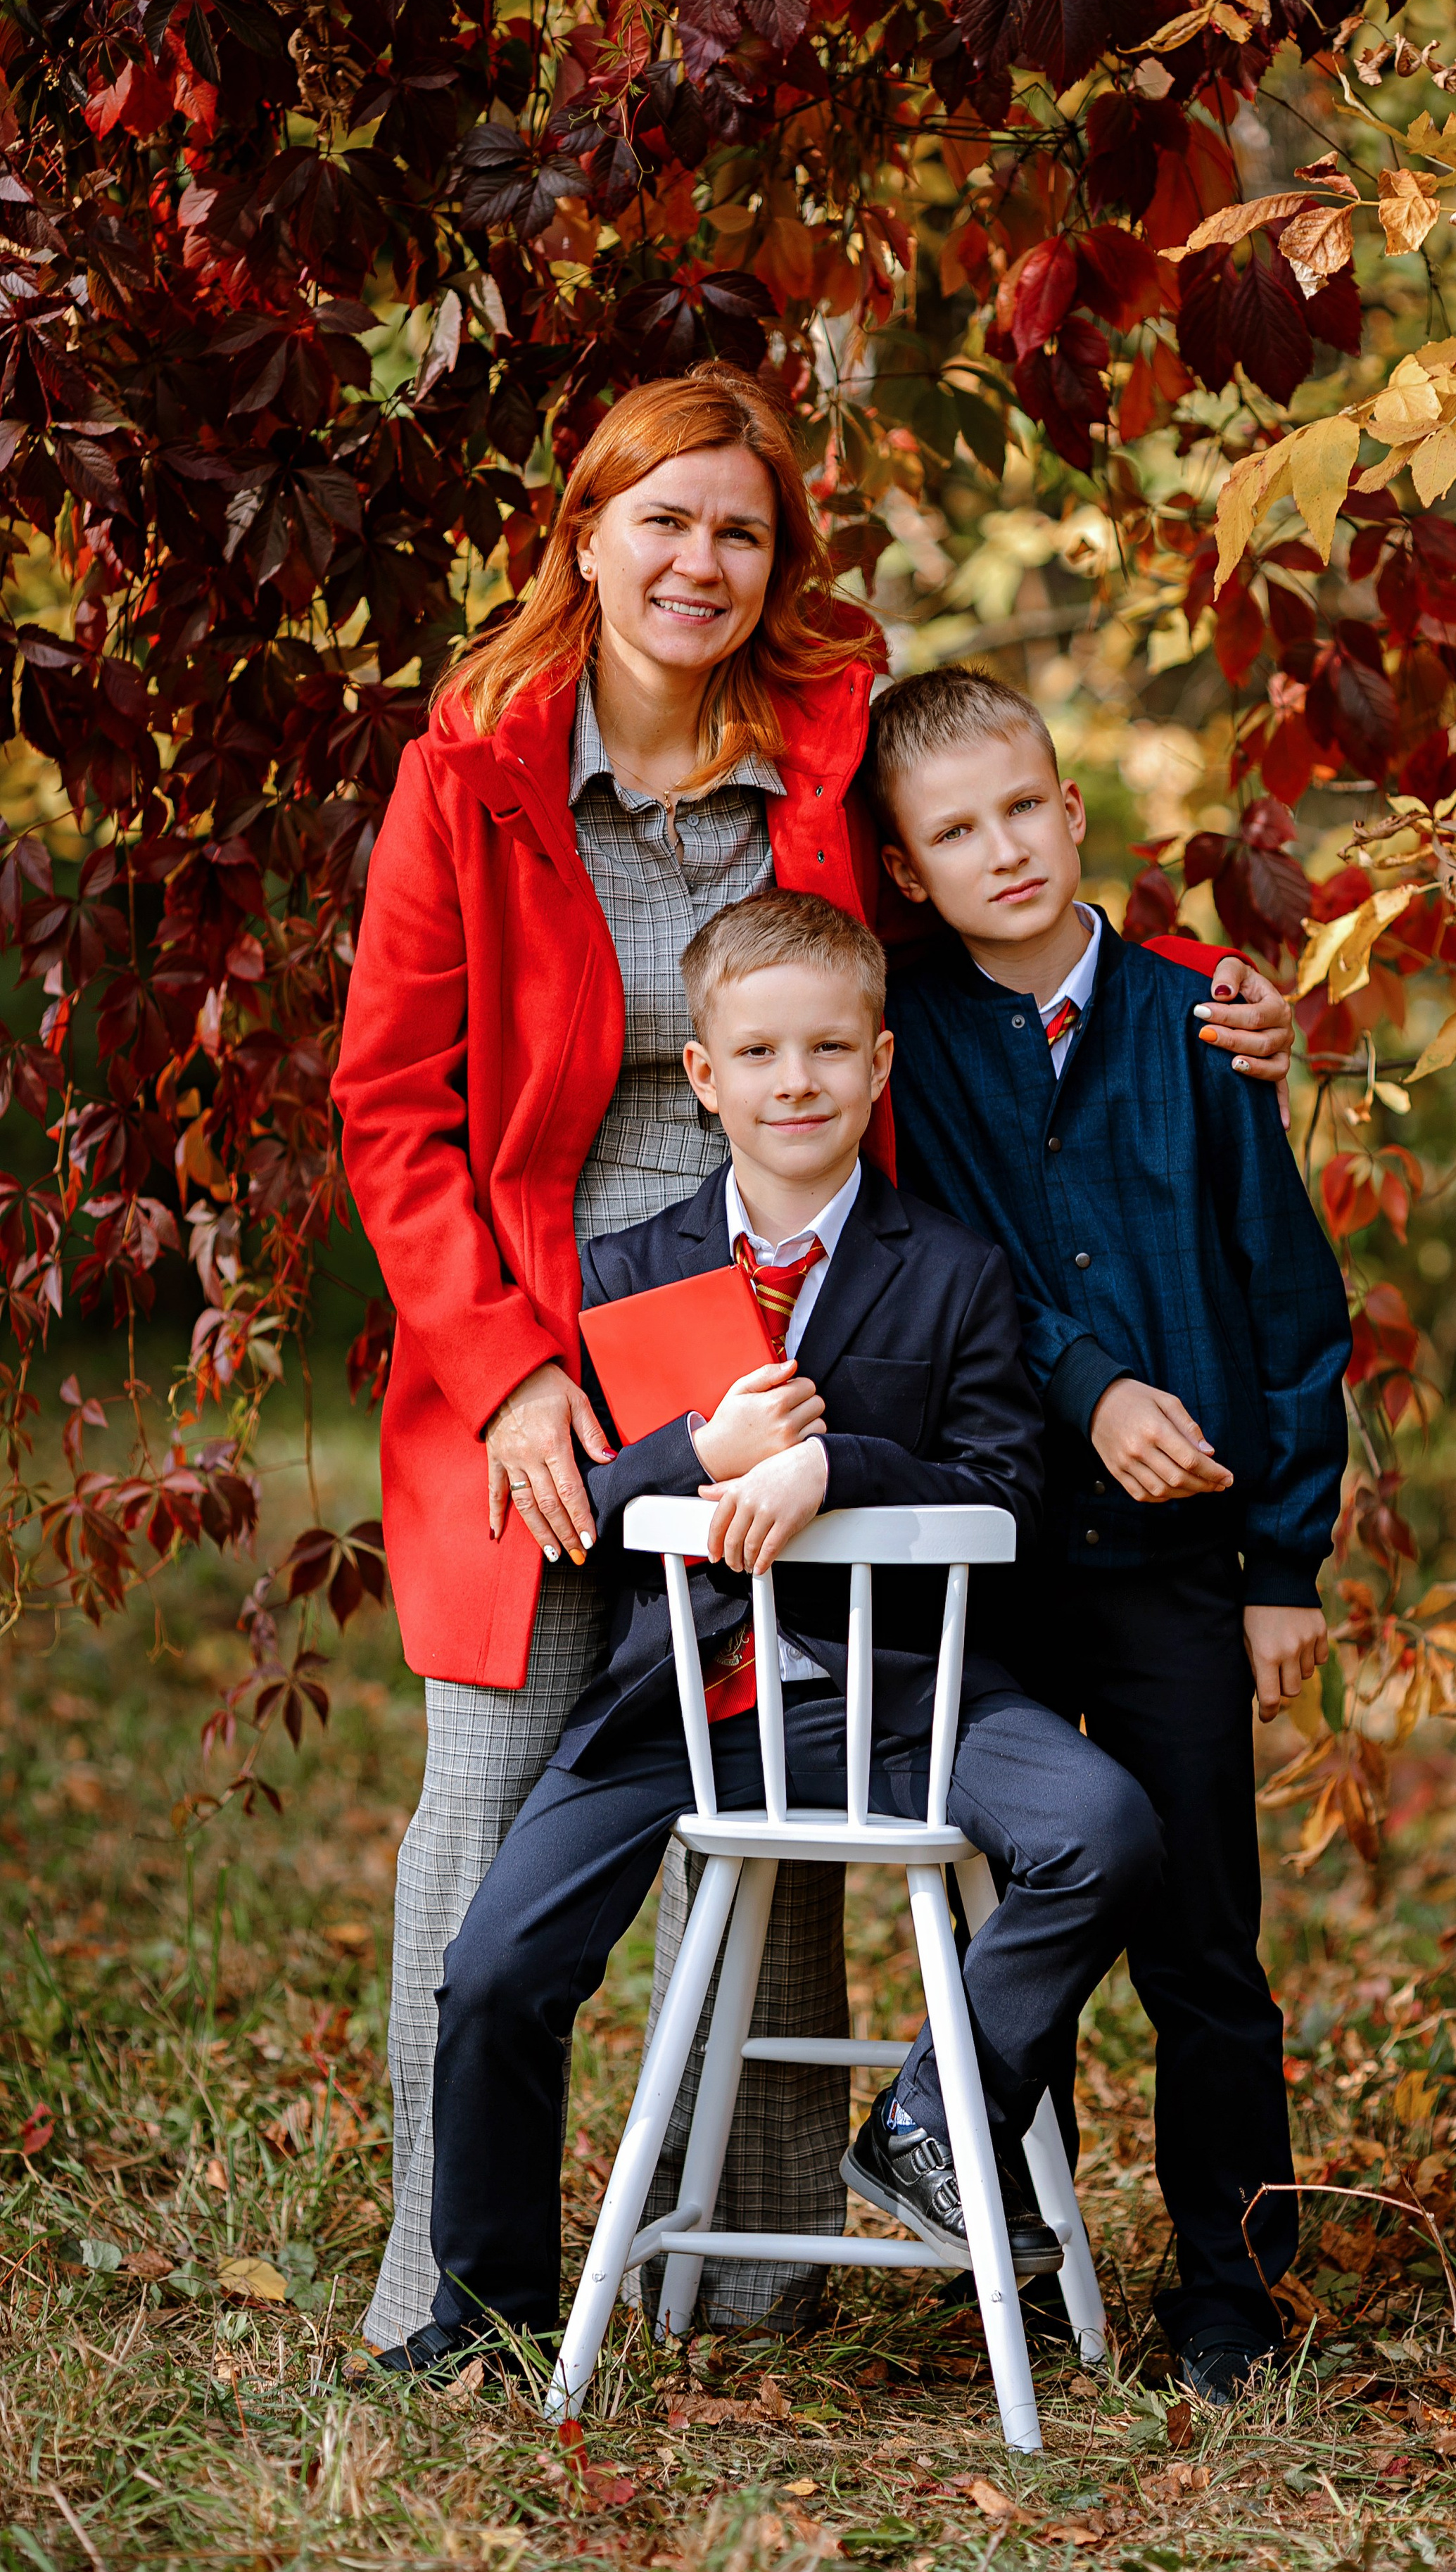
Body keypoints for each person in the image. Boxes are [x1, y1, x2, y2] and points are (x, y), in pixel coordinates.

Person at [331, 361, 1299, 2351]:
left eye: (741, 529)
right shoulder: (475, 773)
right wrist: (513, 1374)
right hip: (560, 1332)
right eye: (662, 517)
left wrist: (1189, 1005)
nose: (699, 559)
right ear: (583, 529)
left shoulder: (821, 750)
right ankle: (448, 2272)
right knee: (496, 1802)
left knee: (795, 1734)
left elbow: (966, 921)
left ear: (780, 567)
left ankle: (760, 2272)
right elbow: (393, 1109)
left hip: (825, 1306)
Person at [392, 892, 1161, 2367]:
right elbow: (590, 1514)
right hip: (673, 1704)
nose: (792, 1080)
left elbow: (1002, 1489)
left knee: (1105, 1830)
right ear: (704, 1075)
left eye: (824, 1049)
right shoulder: (632, 1267)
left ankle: (938, 2111)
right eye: (757, 1052)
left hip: (899, 1690)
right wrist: (700, 1447)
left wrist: (833, 1465)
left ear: (879, 1065)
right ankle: (482, 2311)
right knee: (491, 1965)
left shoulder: (950, 1269)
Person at [863, 666, 1353, 2407]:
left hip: (1173, 1563)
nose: (998, 848)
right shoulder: (897, 1041)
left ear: (1074, 812)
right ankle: (1020, 2251)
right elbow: (934, 1260)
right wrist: (1086, 1386)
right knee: (1040, 1902)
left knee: (1207, 1938)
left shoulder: (1194, 1023)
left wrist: (1284, 1566)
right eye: (950, 831)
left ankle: (1228, 2291)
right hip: (991, 1549)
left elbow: (1293, 1298)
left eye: (1020, 807)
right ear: (906, 870)